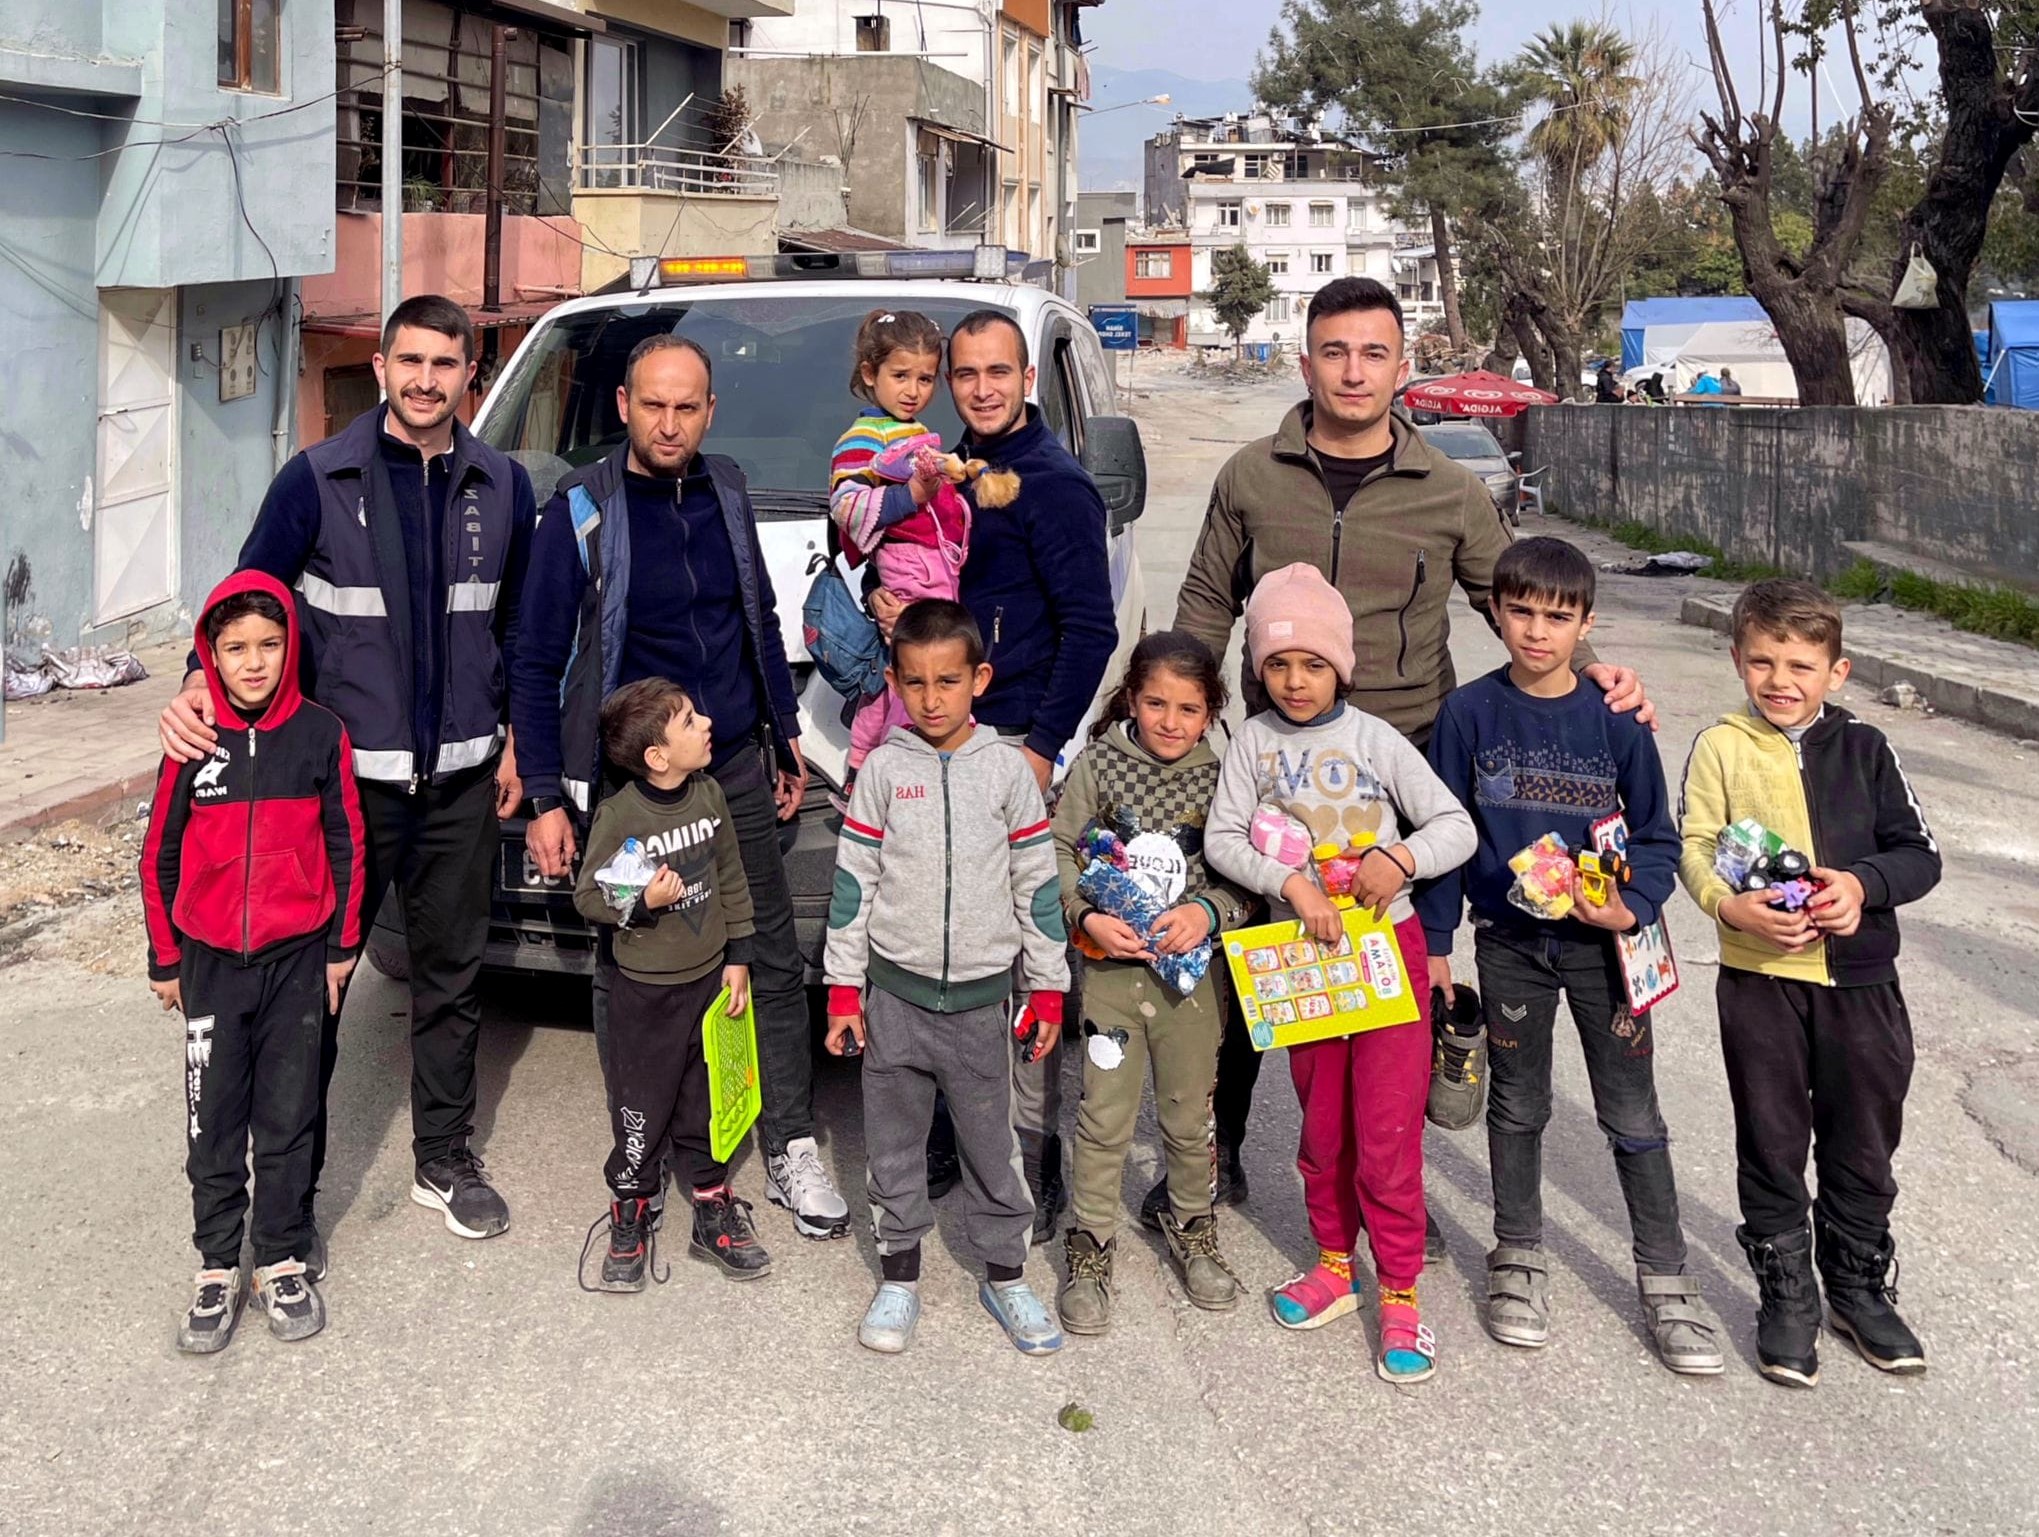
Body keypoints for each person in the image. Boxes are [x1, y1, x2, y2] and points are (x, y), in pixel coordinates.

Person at [1172, 276, 1648, 1228]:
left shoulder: (1450, 490)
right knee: (1254, 963)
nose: (1353, 372)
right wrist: (1179, 720)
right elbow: (1205, 605)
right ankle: (1215, 1154)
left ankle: (1390, 1187)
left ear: (1401, 368)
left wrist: (1594, 671)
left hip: (1403, 770)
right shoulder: (1249, 477)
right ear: (1305, 362)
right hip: (1276, 774)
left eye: (1373, 353)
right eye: (1334, 352)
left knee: (1394, 985)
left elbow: (1514, 598)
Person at [158, 294, 534, 1256]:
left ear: (470, 374)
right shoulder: (316, 478)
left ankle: (443, 1159)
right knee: (311, 995)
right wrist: (199, 682)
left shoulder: (502, 485)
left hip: (459, 784)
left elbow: (517, 628)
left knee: (451, 983)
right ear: (380, 368)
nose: (425, 380)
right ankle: (293, 1198)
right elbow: (247, 596)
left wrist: (518, 742)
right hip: (346, 793)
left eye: (444, 364)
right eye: (409, 361)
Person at [511, 333, 851, 1242]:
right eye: (653, 405)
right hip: (630, 789)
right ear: (624, 406)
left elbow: (758, 618)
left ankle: (787, 1142)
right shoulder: (580, 509)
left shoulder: (727, 489)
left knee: (764, 952)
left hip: (731, 762)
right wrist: (545, 792)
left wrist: (785, 733)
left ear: (709, 412)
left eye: (686, 407)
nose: (669, 424)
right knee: (628, 963)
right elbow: (536, 656)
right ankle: (642, 1149)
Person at [1416, 538, 1725, 1375]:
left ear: (1586, 624)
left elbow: (1656, 836)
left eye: (1557, 616)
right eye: (1519, 611)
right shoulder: (1467, 714)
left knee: (1632, 1114)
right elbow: (1444, 837)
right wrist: (1436, 944)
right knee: (1516, 1105)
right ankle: (1516, 1254)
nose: (1536, 631)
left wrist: (1631, 905)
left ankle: (1665, 1277)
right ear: (1494, 611)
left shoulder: (1615, 719)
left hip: (1606, 950)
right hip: (1510, 945)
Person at [871, 310, 1118, 1242]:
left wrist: (1040, 747)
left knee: (1022, 955)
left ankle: (1027, 1155)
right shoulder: (947, 470)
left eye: (997, 372)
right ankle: (952, 1130)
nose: (980, 388)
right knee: (948, 940)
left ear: (1026, 380)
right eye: (965, 373)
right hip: (942, 737)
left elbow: (1089, 629)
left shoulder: (1053, 485)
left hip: (1012, 741)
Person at [1206, 564, 1476, 1384]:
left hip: (1384, 956)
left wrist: (1400, 859)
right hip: (1301, 964)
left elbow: (1454, 824)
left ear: (1342, 667)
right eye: (1277, 663)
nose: (1295, 680)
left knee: (1385, 1134)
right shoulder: (1252, 742)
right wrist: (1288, 885)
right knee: (1323, 1129)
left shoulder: (1374, 739)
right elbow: (1223, 838)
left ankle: (1398, 1289)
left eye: (1313, 663)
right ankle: (1332, 1263)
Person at [1678, 580, 1940, 1388]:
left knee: (1864, 1139)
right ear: (1737, 659)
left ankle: (1855, 1286)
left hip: (1860, 982)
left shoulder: (1865, 749)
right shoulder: (1719, 746)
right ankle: (1786, 1294)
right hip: (1759, 979)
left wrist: (1861, 884)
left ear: (1836, 670)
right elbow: (1694, 845)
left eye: (1800, 664)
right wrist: (1729, 906)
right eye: (1762, 661)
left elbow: (1918, 854)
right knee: (1771, 1136)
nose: (1779, 679)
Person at [822, 600, 1071, 1357]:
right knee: (893, 1147)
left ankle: (1006, 1275)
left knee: (992, 1147)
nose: (932, 699)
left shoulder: (1007, 772)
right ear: (894, 681)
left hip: (980, 1005)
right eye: (915, 682)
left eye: (948, 681)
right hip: (893, 1000)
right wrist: (843, 990)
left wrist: (1046, 987)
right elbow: (852, 885)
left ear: (979, 679)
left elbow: (1037, 886)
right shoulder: (882, 771)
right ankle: (899, 1277)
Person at [143, 572, 367, 1352]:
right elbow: (158, 853)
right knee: (212, 1122)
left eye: (269, 644)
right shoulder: (192, 738)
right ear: (210, 652)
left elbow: (348, 844)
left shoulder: (320, 734)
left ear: (290, 645)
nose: (253, 661)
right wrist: (164, 957)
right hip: (209, 965)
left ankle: (278, 1256)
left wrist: (341, 948)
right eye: (235, 646)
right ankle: (216, 1263)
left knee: (286, 1117)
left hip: (297, 964)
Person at [1051, 633, 1254, 1335]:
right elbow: (1058, 846)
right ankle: (1089, 1243)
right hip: (1111, 977)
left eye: (1189, 708)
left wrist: (1208, 912)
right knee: (1102, 1116)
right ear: (1131, 699)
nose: (1170, 721)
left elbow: (1247, 873)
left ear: (1211, 712)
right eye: (1156, 703)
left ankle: (1192, 1223)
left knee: (1189, 1115)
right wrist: (1083, 915)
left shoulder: (1224, 778)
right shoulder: (1098, 765)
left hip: (1190, 988)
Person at [572, 679, 768, 1291]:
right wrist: (642, 901)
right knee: (642, 1105)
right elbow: (588, 896)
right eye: (688, 720)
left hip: (709, 982)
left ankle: (712, 1207)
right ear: (657, 756)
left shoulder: (709, 794)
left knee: (706, 1102)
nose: (706, 722)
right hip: (645, 994)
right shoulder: (621, 815)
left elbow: (731, 873)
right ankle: (630, 1208)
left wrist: (739, 956)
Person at [828, 309, 975, 787]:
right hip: (906, 569)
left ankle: (872, 767)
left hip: (934, 568)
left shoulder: (913, 431)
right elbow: (845, 505)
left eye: (925, 379)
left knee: (913, 676)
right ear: (870, 374)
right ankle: (882, 770)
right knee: (913, 678)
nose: (913, 390)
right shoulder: (862, 437)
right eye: (900, 376)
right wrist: (909, 495)